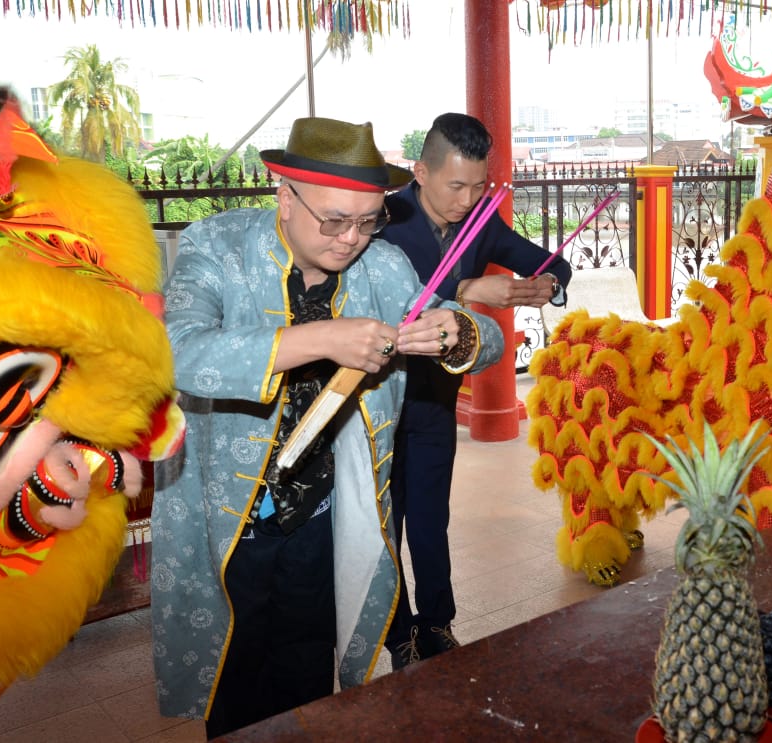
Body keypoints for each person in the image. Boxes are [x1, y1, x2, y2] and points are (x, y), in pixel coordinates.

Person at [149, 116, 505, 737]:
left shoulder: (383, 268)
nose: (351, 240)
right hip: (226, 521)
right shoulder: (217, 247)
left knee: (308, 683)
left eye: (368, 222)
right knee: (235, 690)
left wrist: (456, 331)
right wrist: (318, 339)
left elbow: (490, 338)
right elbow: (179, 352)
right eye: (335, 220)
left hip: (324, 518)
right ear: (285, 196)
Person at [380, 112, 572, 668]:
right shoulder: (384, 218)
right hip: (380, 397)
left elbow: (549, 261)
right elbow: (393, 299)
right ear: (421, 171)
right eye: (455, 186)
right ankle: (397, 635)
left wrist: (546, 283)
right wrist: (468, 287)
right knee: (384, 521)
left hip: (435, 397)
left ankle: (436, 623)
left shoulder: (478, 223)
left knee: (430, 518)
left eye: (478, 186)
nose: (467, 200)